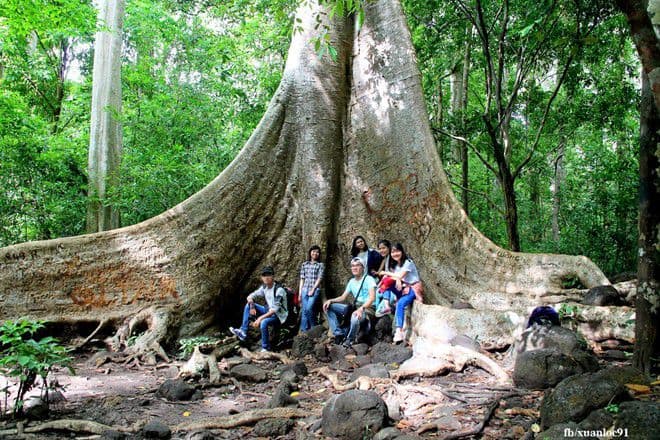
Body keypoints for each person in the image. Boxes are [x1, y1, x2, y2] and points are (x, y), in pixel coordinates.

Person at [229, 266, 288, 352]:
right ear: (262, 277)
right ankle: (243, 331)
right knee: (248, 305)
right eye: (264, 275)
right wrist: (252, 306)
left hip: (279, 315)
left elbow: (274, 309)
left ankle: (265, 347)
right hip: (268, 311)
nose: (266, 277)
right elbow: (250, 296)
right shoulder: (264, 287)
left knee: (263, 322)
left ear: (273, 276)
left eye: (269, 275)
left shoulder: (279, 290)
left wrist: (260, 318)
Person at [322, 257, 377, 347]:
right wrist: (330, 301)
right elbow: (343, 297)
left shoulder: (369, 279)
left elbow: (372, 298)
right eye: (353, 266)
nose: (355, 268)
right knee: (328, 307)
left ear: (363, 267)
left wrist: (361, 309)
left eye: (358, 265)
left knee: (355, 318)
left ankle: (350, 339)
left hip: (368, 308)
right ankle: (338, 334)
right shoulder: (351, 281)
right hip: (355, 307)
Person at [378, 243, 424, 343]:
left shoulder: (408, 262)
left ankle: (399, 331)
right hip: (403, 287)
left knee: (400, 303)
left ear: (402, 252)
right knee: (386, 281)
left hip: (412, 287)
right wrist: (397, 279)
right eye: (393, 252)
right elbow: (397, 276)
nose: (395, 254)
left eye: (397, 251)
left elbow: (400, 275)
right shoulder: (396, 265)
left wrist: (387, 273)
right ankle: (386, 305)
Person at [298, 245, 325, 333]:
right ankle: (304, 330)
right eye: (313, 251)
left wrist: (313, 289)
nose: (315, 253)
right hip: (304, 289)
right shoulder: (304, 264)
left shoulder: (320, 265)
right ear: (310, 252)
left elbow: (319, 278)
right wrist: (300, 293)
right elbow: (302, 278)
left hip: (314, 289)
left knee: (309, 308)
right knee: (305, 310)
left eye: (317, 252)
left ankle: (313, 327)